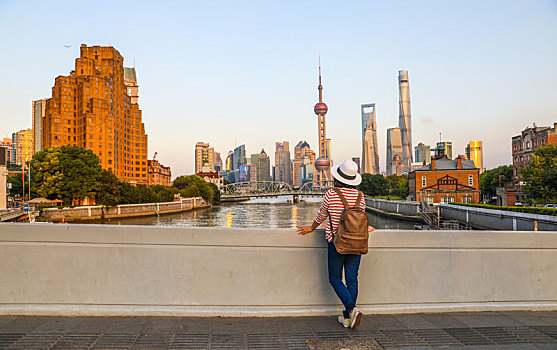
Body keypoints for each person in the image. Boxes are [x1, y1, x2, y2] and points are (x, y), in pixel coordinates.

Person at [297, 159, 374, 329]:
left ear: (337, 177)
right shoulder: (360, 196)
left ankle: (352, 309)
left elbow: (321, 215)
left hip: (336, 242)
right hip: (357, 241)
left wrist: (311, 228)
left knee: (335, 278)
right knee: (352, 279)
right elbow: (359, 219)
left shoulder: (332, 194)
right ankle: (347, 318)